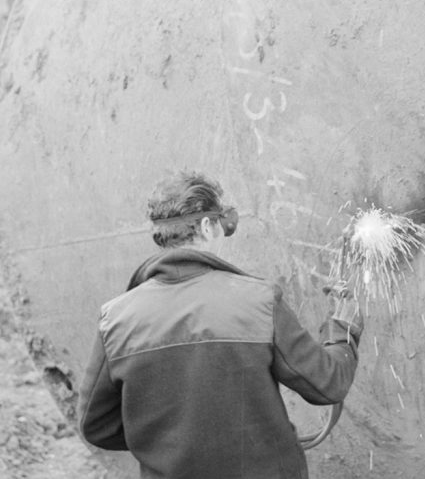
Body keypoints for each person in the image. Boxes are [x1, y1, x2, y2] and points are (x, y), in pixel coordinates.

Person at [77, 171, 363, 479]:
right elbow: (327, 384)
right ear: (206, 226)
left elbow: (96, 426)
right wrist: (342, 327)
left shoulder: (116, 319)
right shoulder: (259, 301)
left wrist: (168, 445)